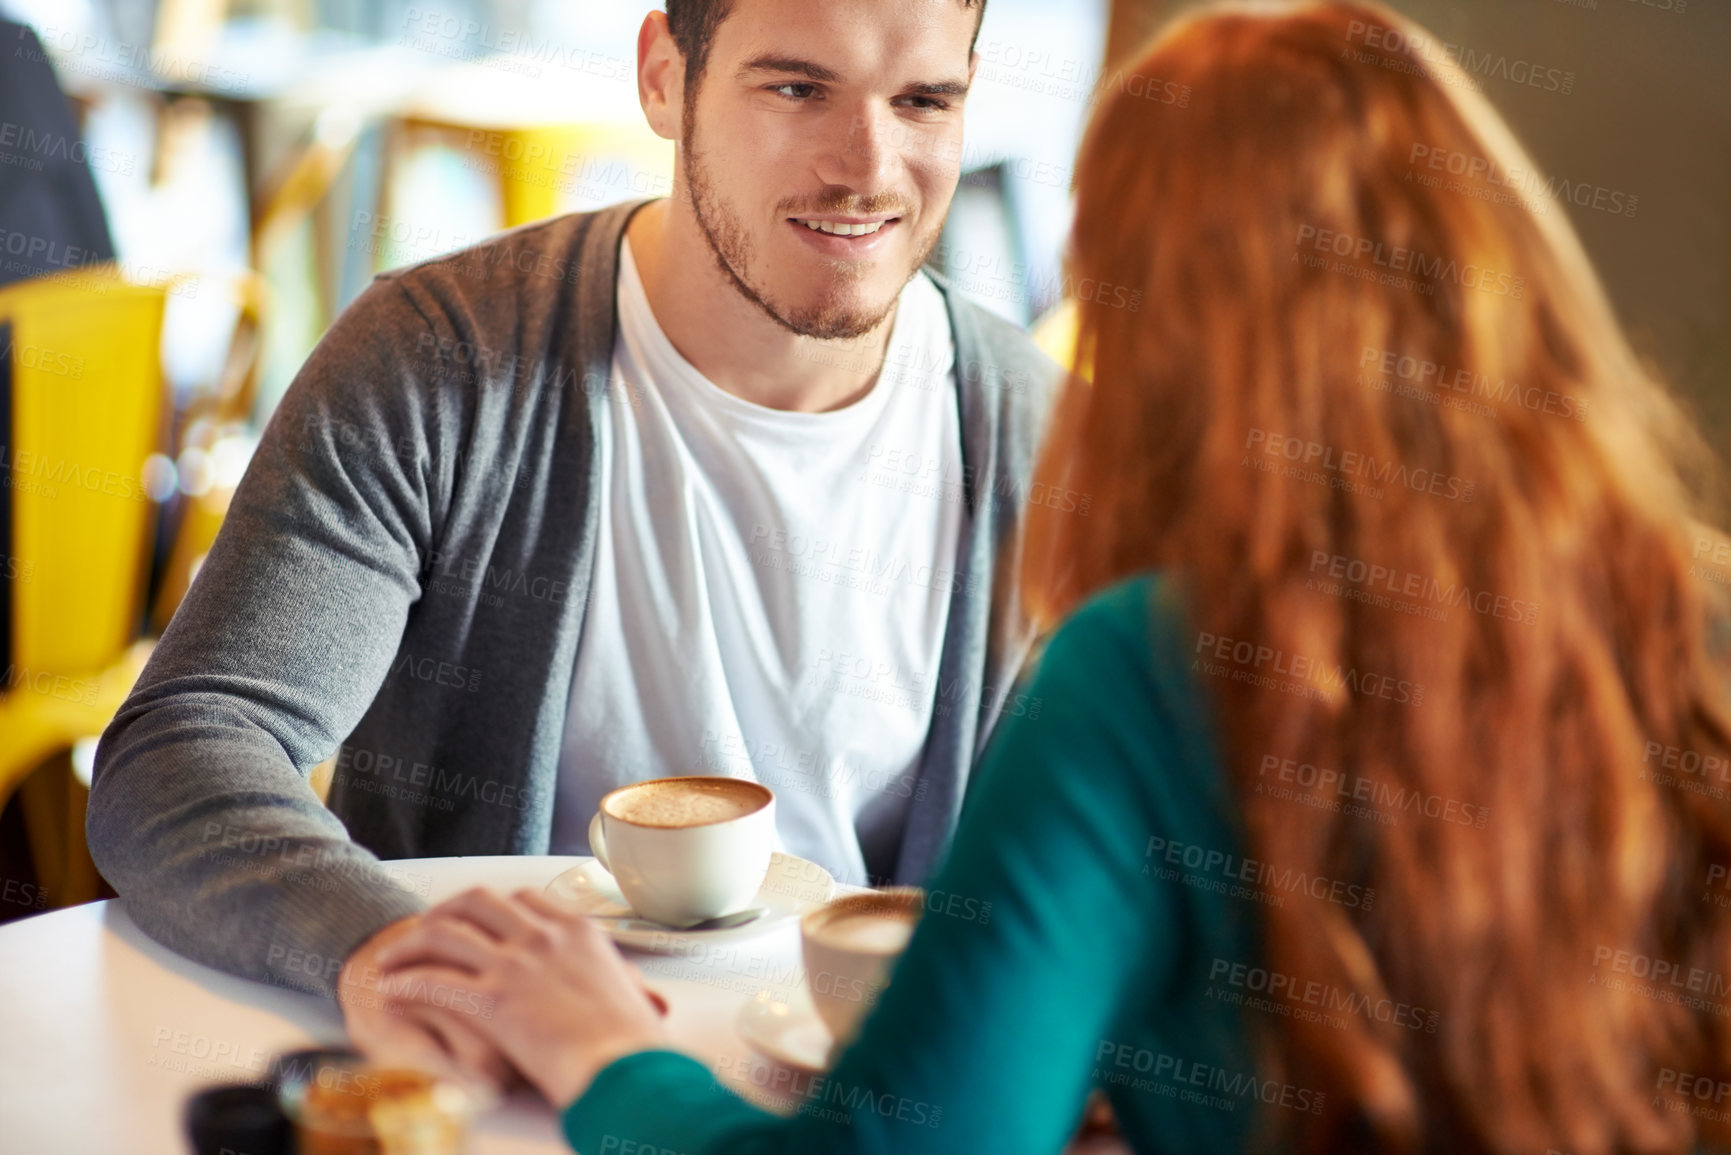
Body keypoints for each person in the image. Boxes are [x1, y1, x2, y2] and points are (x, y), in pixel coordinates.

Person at [366, 1, 1731, 1151]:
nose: (867, 167)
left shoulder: (1149, 664)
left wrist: (605, 1052)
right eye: (798, 86)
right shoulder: (1683, 606)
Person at [86, 0, 1057, 1094]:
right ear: (662, 78)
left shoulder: (1041, 439)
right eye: (796, 89)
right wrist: (388, 948)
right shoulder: (441, 365)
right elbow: (184, 750)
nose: (867, 167)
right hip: (482, 1081)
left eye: (922, 100)